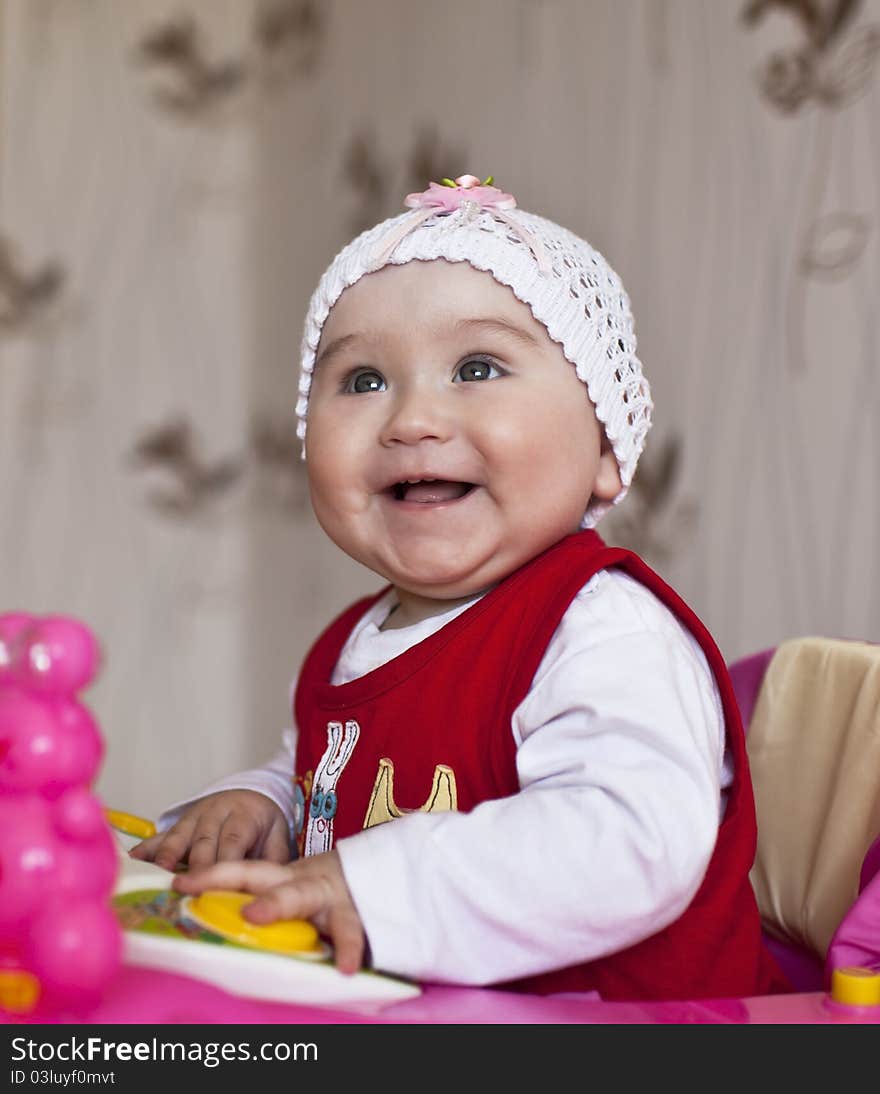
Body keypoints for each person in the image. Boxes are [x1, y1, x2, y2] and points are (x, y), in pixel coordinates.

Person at [132, 174, 789, 1001]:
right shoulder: (351, 643)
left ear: (605, 448)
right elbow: (328, 783)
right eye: (364, 381)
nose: (411, 419)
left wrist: (373, 889)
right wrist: (261, 804)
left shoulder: (603, 628)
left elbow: (631, 840)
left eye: (477, 367)